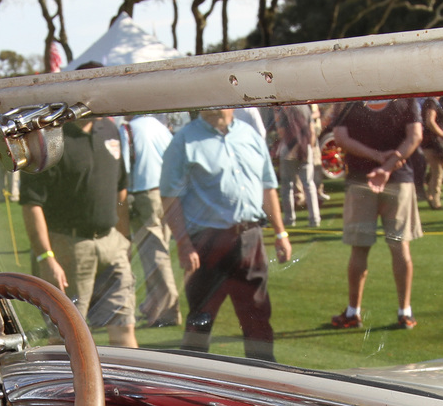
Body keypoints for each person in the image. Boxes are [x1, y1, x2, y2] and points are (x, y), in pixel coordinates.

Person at [159, 108, 291, 362]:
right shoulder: (184, 140)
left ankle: (263, 384)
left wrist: (280, 233)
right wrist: (184, 243)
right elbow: (169, 197)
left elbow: (267, 186)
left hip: (250, 239)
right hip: (206, 245)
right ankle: (190, 389)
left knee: (258, 318)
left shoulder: (249, 135)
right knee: (200, 320)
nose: (215, 104)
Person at [21, 116, 139, 348]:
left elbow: (120, 189)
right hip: (69, 248)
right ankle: (65, 385)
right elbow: (31, 204)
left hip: (112, 243)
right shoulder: (47, 138)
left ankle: (130, 386)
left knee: (124, 328)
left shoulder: (109, 129)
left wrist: (124, 239)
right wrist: (46, 257)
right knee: (68, 338)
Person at [330, 98, 423, 329]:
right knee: (400, 246)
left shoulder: (348, 99)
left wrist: (379, 160)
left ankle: (353, 312)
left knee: (360, 248)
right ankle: (405, 312)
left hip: (362, 180)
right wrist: (387, 165)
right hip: (397, 179)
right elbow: (415, 136)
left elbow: (340, 139)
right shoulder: (406, 98)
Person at [126, 113, 180, 326]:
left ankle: (167, 310)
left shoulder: (131, 128)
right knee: (158, 250)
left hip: (143, 192)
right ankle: (155, 306)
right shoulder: (159, 127)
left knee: (155, 252)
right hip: (163, 192)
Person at [270, 105, 319, 229]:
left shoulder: (284, 109)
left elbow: (281, 131)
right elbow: (312, 131)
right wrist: (310, 148)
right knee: (309, 185)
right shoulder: (305, 108)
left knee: (287, 187)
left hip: (288, 148)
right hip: (305, 147)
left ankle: (290, 219)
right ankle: (315, 219)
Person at [417, 98, 443, 209]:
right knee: (437, 172)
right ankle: (435, 201)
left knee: (434, 172)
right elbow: (430, 121)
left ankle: (430, 196)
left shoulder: (430, 103)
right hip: (432, 144)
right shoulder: (431, 103)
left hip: (430, 143)